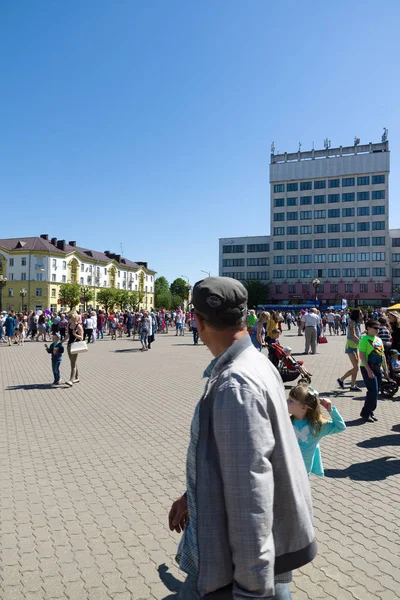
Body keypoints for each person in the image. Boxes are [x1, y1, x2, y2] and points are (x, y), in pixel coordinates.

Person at [168, 277, 317, 600]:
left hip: (237, 564)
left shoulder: (235, 384)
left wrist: (251, 590)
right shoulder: (257, 363)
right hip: (257, 550)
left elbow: (251, 495)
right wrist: (191, 495)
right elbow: (236, 457)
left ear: (196, 320)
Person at [287, 384, 346, 476]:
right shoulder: (286, 421)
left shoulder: (317, 425)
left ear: (303, 407)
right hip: (286, 468)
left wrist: (330, 409)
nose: (286, 402)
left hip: (304, 472)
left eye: (291, 401)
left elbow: (340, 427)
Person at [358, 319, 390, 423]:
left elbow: (382, 355)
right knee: (373, 391)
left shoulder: (378, 340)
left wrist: (385, 370)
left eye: (378, 328)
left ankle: (369, 412)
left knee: (375, 392)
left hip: (378, 368)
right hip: (368, 368)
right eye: (375, 328)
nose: (377, 330)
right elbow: (362, 356)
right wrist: (368, 370)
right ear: (368, 328)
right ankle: (366, 413)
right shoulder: (364, 339)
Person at [337, 308, 363, 392]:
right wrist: (362, 342)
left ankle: (352, 385)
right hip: (351, 346)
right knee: (356, 367)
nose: (362, 315)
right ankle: (341, 379)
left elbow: (357, 334)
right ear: (357, 315)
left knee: (356, 367)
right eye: (360, 313)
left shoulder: (357, 323)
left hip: (355, 346)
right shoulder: (352, 322)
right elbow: (353, 335)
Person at [64, 312, 84, 387]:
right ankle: (77, 378)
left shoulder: (79, 326)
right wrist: (61, 342)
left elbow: (81, 338)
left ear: (74, 318)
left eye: (70, 317)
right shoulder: (69, 325)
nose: (69, 318)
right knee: (73, 362)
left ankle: (71, 380)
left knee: (72, 363)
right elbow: (68, 335)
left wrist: (75, 334)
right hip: (69, 345)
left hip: (76, 346)